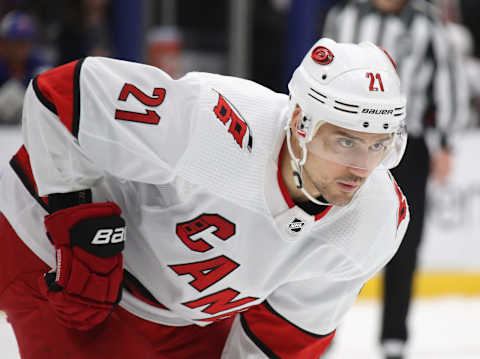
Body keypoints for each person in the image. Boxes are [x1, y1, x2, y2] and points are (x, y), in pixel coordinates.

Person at [0, 37, 409, 358]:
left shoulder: (376, 219)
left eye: (379, 145)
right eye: (346, 141)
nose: (362, 167)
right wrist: (82, 233)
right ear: (302, 124)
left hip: (171, 315)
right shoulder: (210, 123)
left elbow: (282, 339)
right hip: (40, 244)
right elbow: (59, 96)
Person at [323, 1, 465, 358]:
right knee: (328, 233)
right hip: (345, 139)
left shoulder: (428, 25)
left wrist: (445, 142)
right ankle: (319, 330)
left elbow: (447, 80)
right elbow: (321, 71)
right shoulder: (343, 16)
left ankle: (394, 338)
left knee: (404, 242)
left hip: (406, 144)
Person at [0, 10, 49, 124]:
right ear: (4, 43)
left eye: (25, 42)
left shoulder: (40, 67)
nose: (21, 48)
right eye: (16, 42)